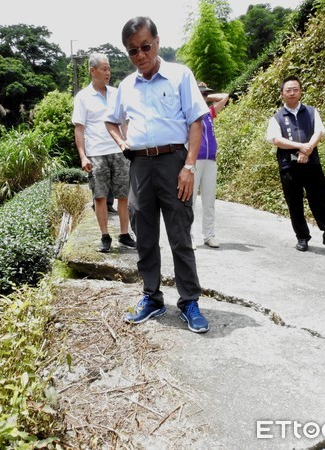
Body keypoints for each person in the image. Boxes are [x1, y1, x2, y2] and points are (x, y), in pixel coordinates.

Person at [105, 16, 210, 333]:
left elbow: (196, 122)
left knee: (180, 234)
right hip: (139, 166)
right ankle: (151, 297)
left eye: (145, 47)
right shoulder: (126, 85)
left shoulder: (179, 75)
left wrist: (189, 166)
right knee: (145, 237)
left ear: (157, 42)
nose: (140, 56)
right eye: (132, 51)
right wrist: (122, 141)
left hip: (174, 162)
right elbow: (112, 121)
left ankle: (189, 301)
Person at [265, 75, 325, 252]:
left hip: (312, 164)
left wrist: (308, 148)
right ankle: (302, 237)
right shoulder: (277, 117)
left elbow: (319, 131)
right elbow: (276, 140)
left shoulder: (311, 112)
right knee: (294, 203)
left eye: (295, 89)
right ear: (282, 94)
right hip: (289, 166)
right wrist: (301, 147)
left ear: (301, 91)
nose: (292, 93)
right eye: (288, 90)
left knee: (320, 200)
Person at [72, 53, 136, 253]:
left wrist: (128, 144)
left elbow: (123, 122)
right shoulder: (83, 97)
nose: (108, 72)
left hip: (118, 151)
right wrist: (83, 156)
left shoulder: (116, 93)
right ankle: (105, 236)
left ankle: (125, 235)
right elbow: (79, 129)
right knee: (99, 196)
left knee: (123, 195)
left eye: (109, 69)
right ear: (93, 71)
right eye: (104, 69)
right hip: (96, 154)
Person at [192, 82, 229, 249]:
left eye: (205, 95)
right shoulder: (189, 112)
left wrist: (206, 95)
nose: (204, 97)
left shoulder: (209, 112)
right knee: (190, 200)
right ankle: (188, 236)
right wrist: (196, 93)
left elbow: (225, 97)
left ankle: (209, 235)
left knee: (209, 200)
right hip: (194, 160)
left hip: (210, 160)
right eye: (200, 94)